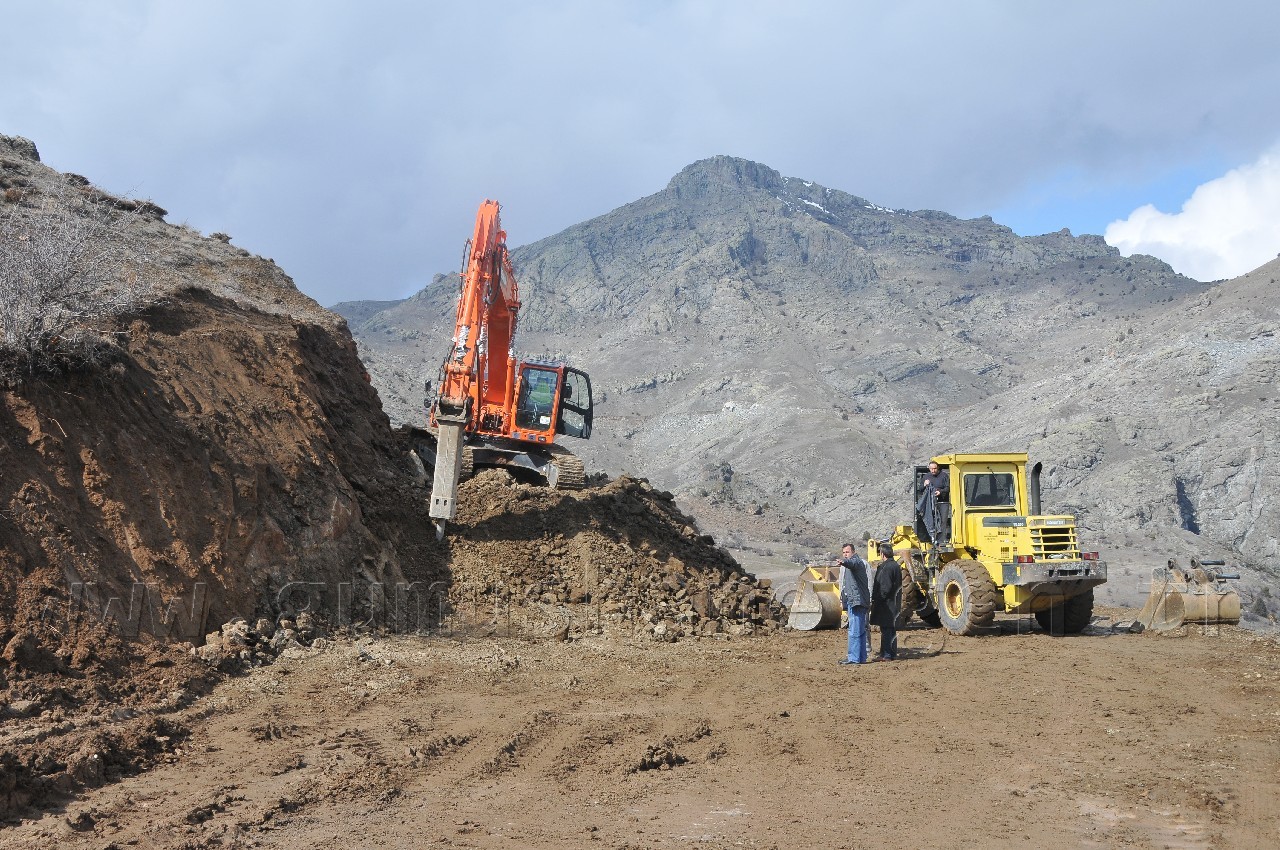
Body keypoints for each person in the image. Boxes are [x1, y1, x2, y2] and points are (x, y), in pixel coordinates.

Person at [837, 543, 870, 666]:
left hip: (856, 602)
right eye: (844, 553)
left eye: (847, 552)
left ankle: (853, 658)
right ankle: (861, 657)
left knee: (854, 631)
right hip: (857, 601)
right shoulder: (853, 564)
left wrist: (844, 562)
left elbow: (852, 563)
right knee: (860, 631)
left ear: (853, 552)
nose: (845, 554)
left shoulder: (856, 562)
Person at [870, 542, 903, 661]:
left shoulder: (886, 567)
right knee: (891, 629)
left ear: (882, 554)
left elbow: (885, 587)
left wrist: (878, 599)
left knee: (886, 630)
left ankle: (886, 654)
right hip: (893, 603)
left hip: (886, 605)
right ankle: (891, 653)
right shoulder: (895, 566)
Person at [917, 460, 951, 548]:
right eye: (931, 469)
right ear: (929, 468)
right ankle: (932, 539)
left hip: (942, 502)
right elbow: (920, 489)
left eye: (935, 468)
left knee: (942, 521)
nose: (933, 470)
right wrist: (925, 484)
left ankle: (941, 541)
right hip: (930, 503)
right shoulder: (926, 477)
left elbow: (948, 488)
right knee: (932, 520)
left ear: (938, 468)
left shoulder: (944, 476)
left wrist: (940, 492)